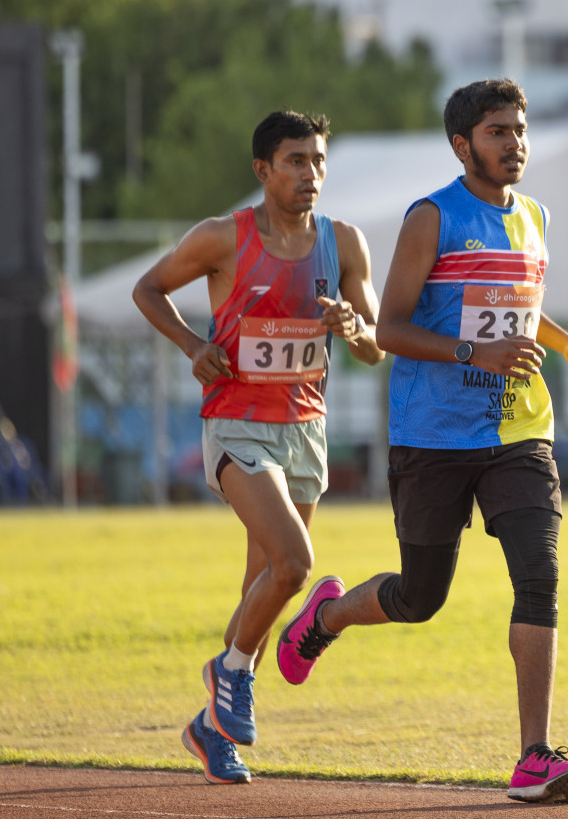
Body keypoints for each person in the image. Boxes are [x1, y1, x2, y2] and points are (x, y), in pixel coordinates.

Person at [274, 79, 568, 804]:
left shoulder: (536, 217)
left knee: (539, 577)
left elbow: (521, 311)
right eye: (497, 132)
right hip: (434, 435)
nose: (514, 143)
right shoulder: (432, 218)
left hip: (520, 429)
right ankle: (326, 616)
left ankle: (534, 757)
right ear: (462, 145)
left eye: (519, 129)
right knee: (422, 597)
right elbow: (388, 329)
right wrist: (468, 354)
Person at [133, 110, 384, 784]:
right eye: (296, 161)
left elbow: (371, 345)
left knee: (264, 588)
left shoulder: (345, 244)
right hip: (237, 423)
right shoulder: (223, 238)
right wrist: (193, 345)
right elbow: (148, 288)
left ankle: (209, 730)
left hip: (305, 428)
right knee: (295, 564)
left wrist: (354, 324)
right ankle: (231, 672)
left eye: (319, 161)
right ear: (262, 170)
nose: (311, 174)